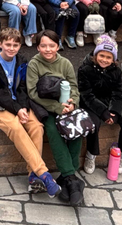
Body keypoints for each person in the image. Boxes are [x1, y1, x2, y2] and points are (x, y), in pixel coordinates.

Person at [0, 28, 61, 197]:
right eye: (8, 44)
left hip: (18, 103)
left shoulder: (21, 61)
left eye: (15, 45)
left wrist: (23, 107)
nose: (11, 48)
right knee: (16, 128)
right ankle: (43, 173)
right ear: (0, 44)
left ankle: (33, 177)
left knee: (37, 126)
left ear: (20, 46)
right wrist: (17, 109)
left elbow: (23, 88)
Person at [27, 30, 84, 204]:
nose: (48, 49)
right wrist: (56, 108)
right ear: (38, 47)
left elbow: (74, 87)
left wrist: (73, 103)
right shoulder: (34, 64)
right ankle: (72, 178)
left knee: (76, 130)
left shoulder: (65, 63)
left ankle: (67, 177)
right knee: (52, 130)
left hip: (67, 107)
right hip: (47, 108)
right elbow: (33, 93)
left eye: (52, 45)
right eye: (43, 46)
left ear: (58, 46)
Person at [78, 35, 122, 177]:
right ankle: (91, 154)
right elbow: (86, 94)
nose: (104, 60)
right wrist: (103, 112)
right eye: (102, 56)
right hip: (90, 103)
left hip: (109, 102)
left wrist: (115, 112)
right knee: (94, 123)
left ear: (113, 59)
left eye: (109, 57)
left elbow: (118, 93)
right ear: (95, 55)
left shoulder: (116, 71)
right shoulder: (85, 69)